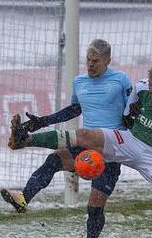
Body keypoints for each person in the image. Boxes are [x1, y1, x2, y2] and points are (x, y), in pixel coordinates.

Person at [8, 62, 152, 238]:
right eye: (89, 59)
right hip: (128, 141)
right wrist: (128, 115)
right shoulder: (135, 85)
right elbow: (114, 110)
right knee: (77, 140)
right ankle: (25, 140)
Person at [1, 39, 132, 238]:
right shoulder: (79, 81)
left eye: (95, 61)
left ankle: (25, 140)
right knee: (54, 159)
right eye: (88, 60)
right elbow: (75, 109)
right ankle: (23, 198)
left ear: (108, 60)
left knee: (94, 208)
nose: (90, 65)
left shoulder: (121, 80)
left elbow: (132, 111)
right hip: (87, 149)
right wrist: (44, 121)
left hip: (110, 151)